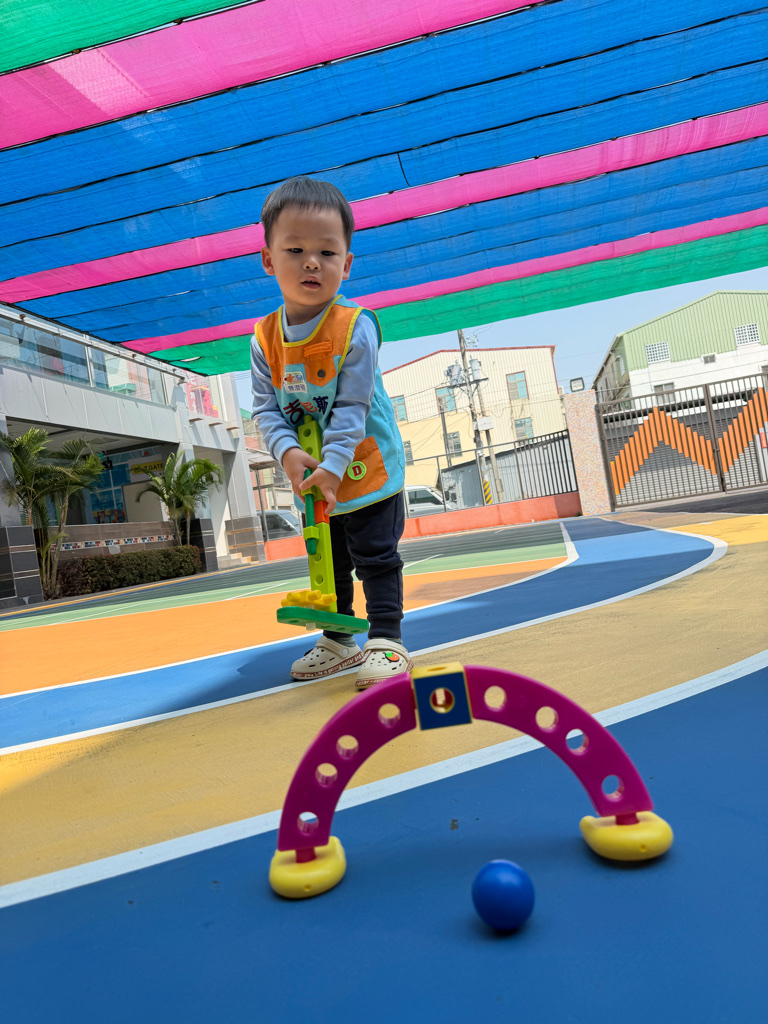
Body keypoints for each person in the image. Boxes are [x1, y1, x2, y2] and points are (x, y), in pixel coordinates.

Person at [251, 176, 410, 688]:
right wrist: (286, 453)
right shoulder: (264, 339)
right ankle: (339, 639)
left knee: (375, 555)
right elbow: (265, 409)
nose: (312, 263)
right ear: (269, 259)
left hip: (363, 466)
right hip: (315, 474)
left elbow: (351, 406)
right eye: (295, 250)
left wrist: (335, 465)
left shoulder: (354, 325)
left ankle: (386, 640)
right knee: (327, 556)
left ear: (347, 262)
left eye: (327, 251)